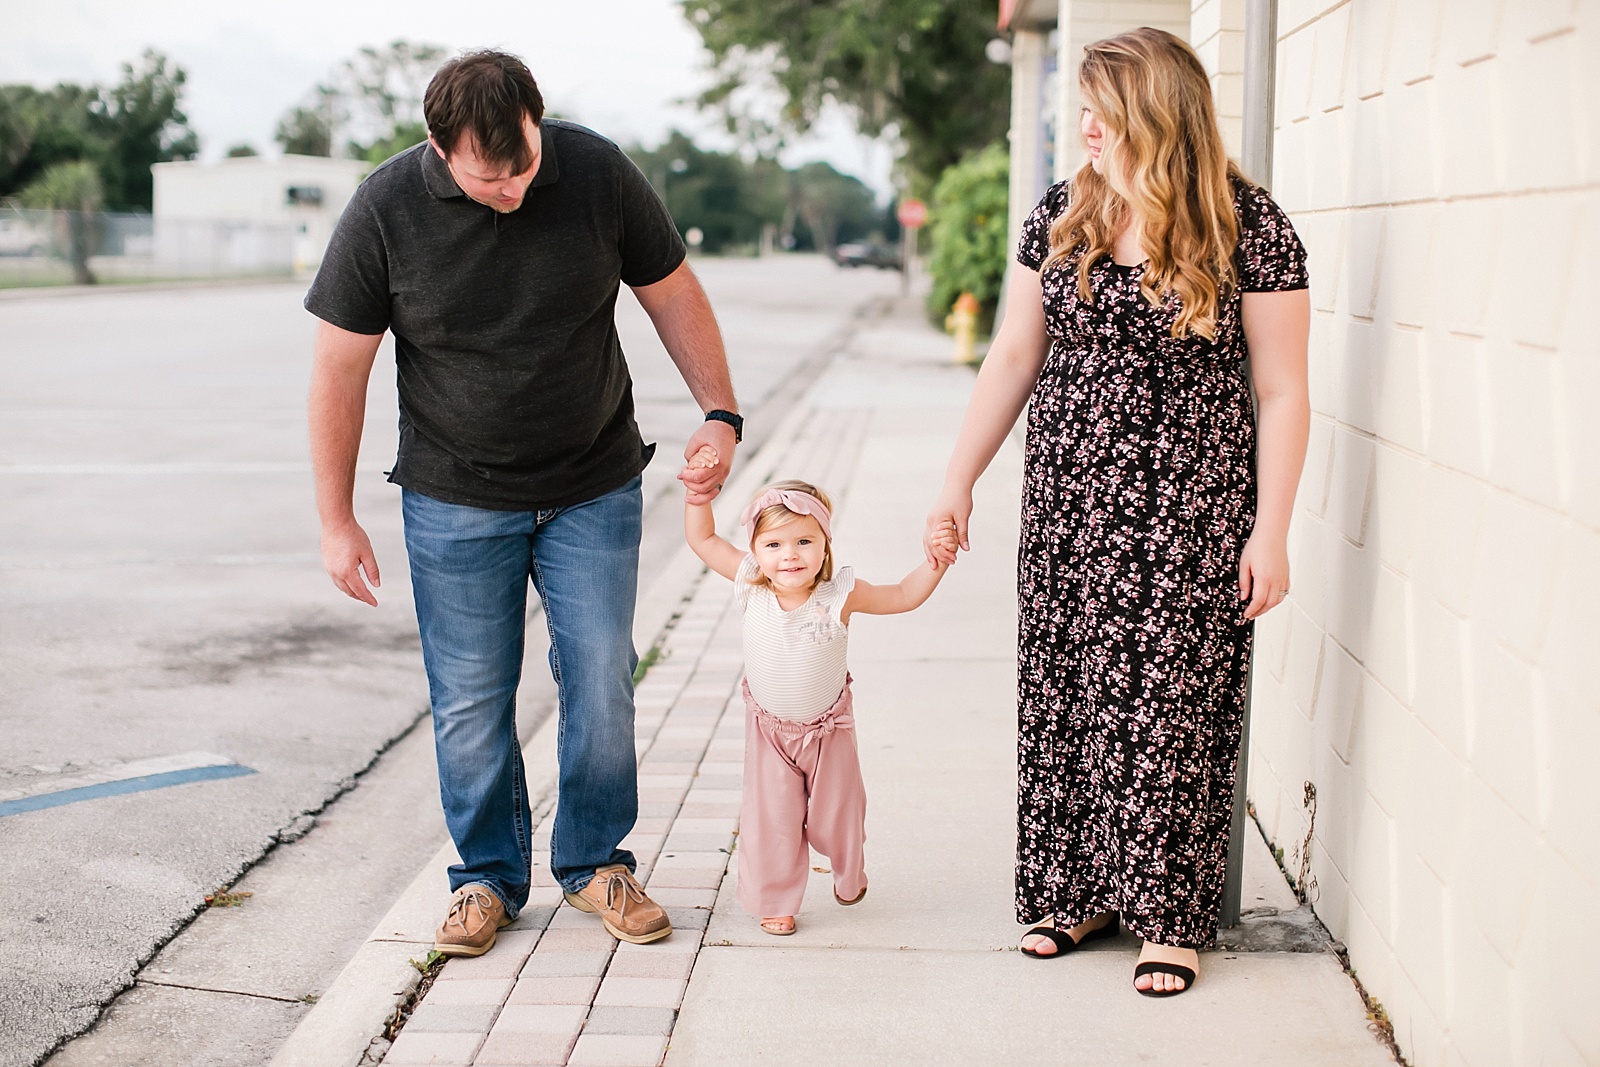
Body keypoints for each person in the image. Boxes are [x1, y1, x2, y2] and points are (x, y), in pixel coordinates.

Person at [305, 49, 744, 955]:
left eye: (525, 167)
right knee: (470, 697)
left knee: (602, 676)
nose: (511, 190)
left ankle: (594, 863)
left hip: (592, 481)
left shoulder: (596, 171)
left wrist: (721, 412)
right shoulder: (385, 208)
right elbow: (339, 369)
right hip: (455, 494)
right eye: (488, 178)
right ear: (439, 148)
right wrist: (336, 518)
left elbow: (672, 292)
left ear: (539, 125)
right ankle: (486, 879)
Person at [923, 27, 1311, 997]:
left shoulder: (1247, 225)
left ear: (1153, 114)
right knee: (1067, 692)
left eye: (1101, 110)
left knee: (1170, 703)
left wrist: (1271, 529)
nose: (1085, 127)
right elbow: (1014, 356)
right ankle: (1077, 890)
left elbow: (1282, 391)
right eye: (1083, 110)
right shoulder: (1064, 213)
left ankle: (1169, 916)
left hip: (1188, 509)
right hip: (1067, 503)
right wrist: (958, 478)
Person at [682, 455, 957, 935]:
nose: (789, 555)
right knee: (773, 820)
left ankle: (849, 873)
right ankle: (776, 899)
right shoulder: (751, 584)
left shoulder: (839, 594)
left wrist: (936, 561)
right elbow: (703, 539)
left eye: (804, 542)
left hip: (829, 731)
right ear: (755, 550)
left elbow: (903, 594)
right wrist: (698, 493)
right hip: (770, 733)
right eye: (773, 544)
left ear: (825, 544)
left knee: (837, 814)